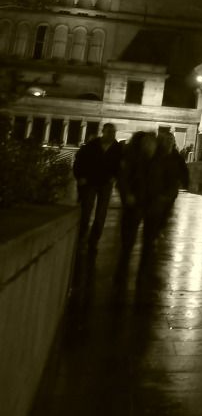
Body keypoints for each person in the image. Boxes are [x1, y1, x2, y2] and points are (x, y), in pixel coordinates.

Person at [114, 131, 168, 291]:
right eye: (146, 144)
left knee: (148, 243)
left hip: (152, 206)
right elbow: (122, 180)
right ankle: (122, 271)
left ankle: (143, 274)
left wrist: (164, 197)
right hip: (135, 205)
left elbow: (169, 181)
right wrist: (127, 195)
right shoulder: (132, 160)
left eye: (151, 144)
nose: (149, 147)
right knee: (127, 242)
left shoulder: (161, 161)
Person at [73, 123, 121, 255]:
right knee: (86, 211)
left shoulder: (117, 148)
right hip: (91, 181)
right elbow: (80, 161)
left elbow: (120, 166)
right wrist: (80, 176)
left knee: (101, 213)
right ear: (103, 132)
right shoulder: (92, 145)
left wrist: (115, 176)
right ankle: (82, 238)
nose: (111, 134)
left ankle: (93, 240)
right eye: (109, 131)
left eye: (113, 132)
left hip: (105, 183)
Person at [156, 127, 190, 231]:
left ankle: (160, 229)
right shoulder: (157, 154)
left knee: (166, 211)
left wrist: (185, 182)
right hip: (158, 188)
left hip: (171, 189)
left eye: (171, 140)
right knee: (156, 211)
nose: (169, 142)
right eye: (167, 140)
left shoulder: (177, 156)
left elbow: (184, 170)